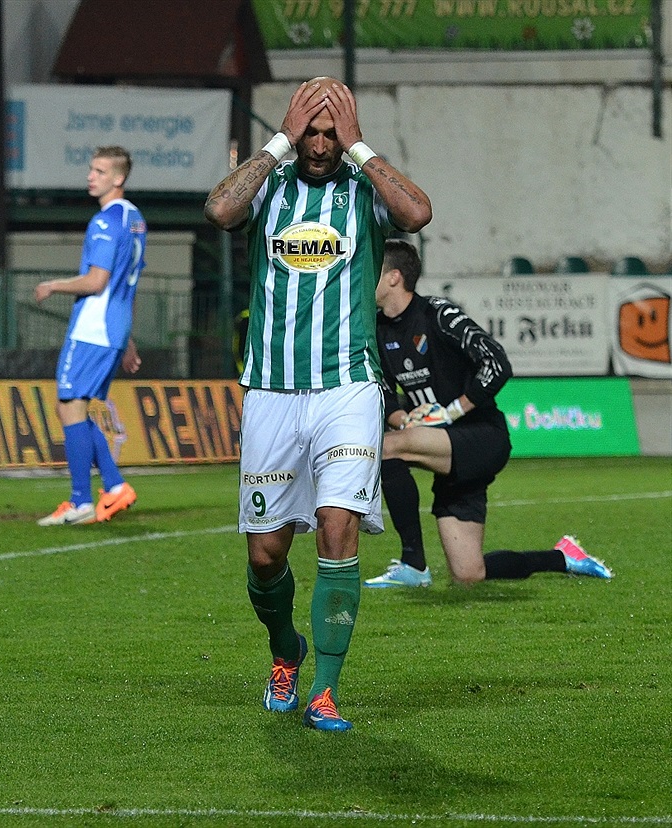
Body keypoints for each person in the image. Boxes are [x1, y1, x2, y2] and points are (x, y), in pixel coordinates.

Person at [204, 77, 432, 730]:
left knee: (339, 526)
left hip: (348, 385)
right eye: (314, 131)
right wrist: (277, 139)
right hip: (272, 390)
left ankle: (326, 691)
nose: (323, 143)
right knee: (265, 553)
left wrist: (362, 146)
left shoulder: (362, 191)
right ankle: (286, 651)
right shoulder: (269, 186)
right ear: (296, 131)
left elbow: (417, 213)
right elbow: (220, 211)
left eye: (333, 132)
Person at [364, 239, 613, 588]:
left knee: (386, 447)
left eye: (369, 270)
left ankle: (413, 565)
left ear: (393, 277)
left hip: (482, 437)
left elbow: (497, 362)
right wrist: (404, 420)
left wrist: (451, 412)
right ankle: (563, 557)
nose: (361, 277)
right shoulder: (376, 330)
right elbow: (385, 392)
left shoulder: (439, 315)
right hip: (445, 449)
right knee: (469, 573)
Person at [35, 146, 146, 526]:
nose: (90, 176)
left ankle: (82, 499)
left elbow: (97, 282)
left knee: (69, 404)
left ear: (118, 178)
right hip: (112, 330)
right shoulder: (135, 219)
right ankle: (113, 487)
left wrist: (54, 284)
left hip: (93, 327)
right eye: (91, 169)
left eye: (99, 170)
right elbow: (127, 286)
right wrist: (127, 340)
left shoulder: (105, 220)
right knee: (70, 407)